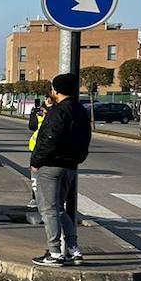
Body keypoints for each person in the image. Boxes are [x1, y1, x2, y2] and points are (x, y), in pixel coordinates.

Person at [30, 72, 92, 267]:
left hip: (51, 165)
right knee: (58, 208)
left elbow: (49, 138)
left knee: (48, 210)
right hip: (71, 165)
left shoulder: (58, 112)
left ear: (56, 90)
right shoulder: (81, 111)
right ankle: (73, 249)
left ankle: (55, 252)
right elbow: (85, 138)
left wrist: (37, 160)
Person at [26, 97, 52, 207]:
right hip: (36, 149)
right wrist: (34, 114)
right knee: (35, 178)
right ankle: (35, 198)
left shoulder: (54, 116)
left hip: (46, 149)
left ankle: (46, 200)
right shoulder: (40, 116)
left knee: (45, 177)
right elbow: (32, 126)